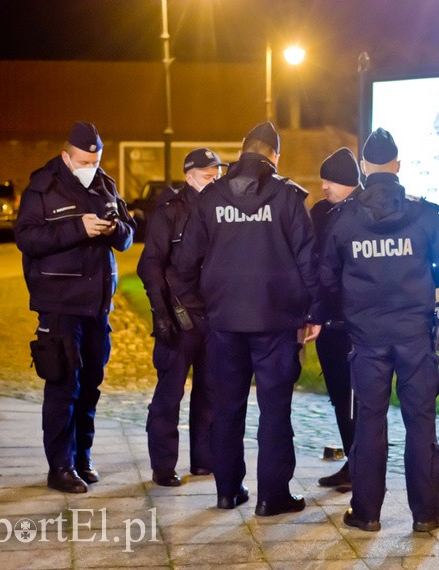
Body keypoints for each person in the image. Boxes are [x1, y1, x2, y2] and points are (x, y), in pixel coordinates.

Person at [320, 128, 439, 532]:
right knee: (420, 422)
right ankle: (427, 513)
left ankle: (366, 514)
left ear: (364, 169)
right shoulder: (423, 215)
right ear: (397, 166)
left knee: (369, 422)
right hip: (415, 336)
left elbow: (326, 277)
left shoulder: (344, 219)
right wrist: (419, 276)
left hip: (365, 339)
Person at [172, 122, 322, 512]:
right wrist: (313, 312)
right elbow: (309, 262)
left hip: (223, 324)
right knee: (275, 411)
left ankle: (227, 491)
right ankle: (272, 497)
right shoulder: (289, 198)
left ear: (241, 153)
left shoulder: (211, 197)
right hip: (276, 323)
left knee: (226, 408)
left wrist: (202, 308)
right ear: (275, 156)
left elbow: (183, 264)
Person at [15, 121, 136, 493]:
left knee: (91, 387)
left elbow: (129, 237)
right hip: (59, 305)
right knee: (63, 386)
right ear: (67, 157)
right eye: (85, 161)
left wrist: (115, 230)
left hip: (97, 306)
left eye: (96, 160)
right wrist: (78, 228)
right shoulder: (42, 186)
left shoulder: (105, 184)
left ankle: (83, 456)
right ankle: (61, 466)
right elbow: (27, 238)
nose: (92, 167)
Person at [137, 148, 226, 487]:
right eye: (208, 176)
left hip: (214, 316)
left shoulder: (223, 211)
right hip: (179, 316)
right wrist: (161, 313)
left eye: (217, 175)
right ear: (189, 176)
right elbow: (150, 264)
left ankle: (204, 460)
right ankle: (163, 466)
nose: (215, 181)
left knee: (210, 392)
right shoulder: (170, 211)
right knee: (169, 394)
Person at [309, 148, 361, 488]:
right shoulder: (320, 211)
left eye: (330, 180)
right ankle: (353, 463)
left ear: (348, 181)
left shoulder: (363, 212)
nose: (324, 185)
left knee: (357, 399)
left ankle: (362, 467)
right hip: (327, 321)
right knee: (340, 397)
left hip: (355, 323)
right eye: (323, 178)